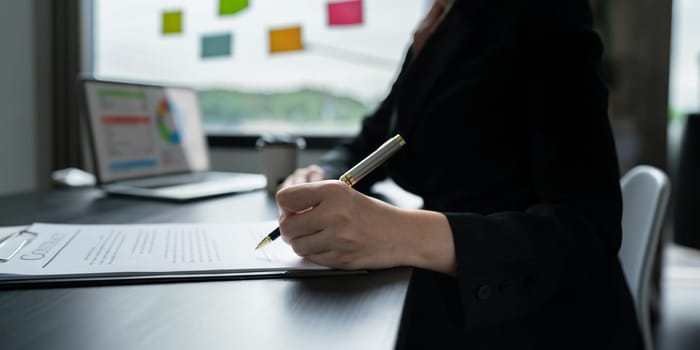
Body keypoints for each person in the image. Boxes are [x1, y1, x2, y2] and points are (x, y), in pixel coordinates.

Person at [276, 0, 643, 348]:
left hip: (538, 319)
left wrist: (403, 233)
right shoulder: (440, 20)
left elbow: (588, 228)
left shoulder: (541, 10)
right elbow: (375, 137)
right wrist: (322, 174)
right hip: (450, 294)